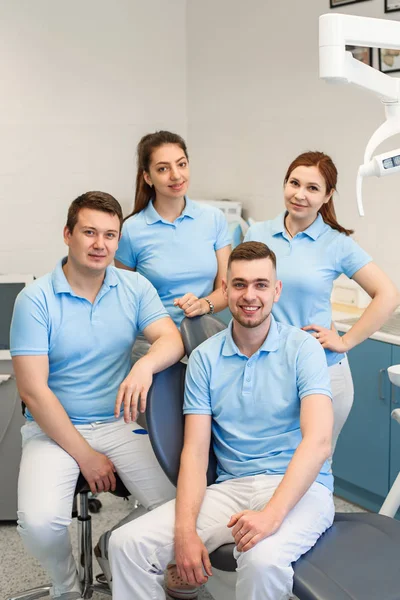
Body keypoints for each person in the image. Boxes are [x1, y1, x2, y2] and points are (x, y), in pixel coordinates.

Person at [108, 241, 335, 600]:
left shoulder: (302, 349)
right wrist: (185, 532)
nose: (250, 295)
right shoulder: (204, 359)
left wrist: (272, 515)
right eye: (240, 284)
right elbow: (195, 454)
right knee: (126, 544)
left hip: (302, 488)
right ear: (226, 289)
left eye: (261, 284)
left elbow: (318, 441)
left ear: (276, 290)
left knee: (262, 560)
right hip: (232, 488)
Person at [10, 191, 184, 600]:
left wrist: (144, 365)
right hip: (53, 429)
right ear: (68, 234)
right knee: (39, 523)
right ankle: (67, 584)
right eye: (89, 232)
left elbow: (170, 339)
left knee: (178, 508)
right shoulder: (35, 301)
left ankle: (113, 547)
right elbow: (33, 392)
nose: (100, 244)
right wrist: (86, 457)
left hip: (117, 422)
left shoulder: (134, 287)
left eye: (110, 234)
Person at [245, 151, 399, 451]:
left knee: (314, 467)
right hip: (268, 367)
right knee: (270, 464)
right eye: (294, 183)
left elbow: (388, 294)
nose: (299, 194)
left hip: (322, 370)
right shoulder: (258, 234)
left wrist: (346, 341)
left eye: (312, 188)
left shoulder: (336, 243)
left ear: (328, 195)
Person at [114, 130, 232, 339]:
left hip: (203, 339)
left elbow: (226, 288)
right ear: (148, 177)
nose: (176, 175)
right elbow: (126, 300)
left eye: (182, 164)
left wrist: (204, 304)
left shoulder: (213, 219)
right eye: (163, 169)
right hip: (153, 343)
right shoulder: (131, 230)